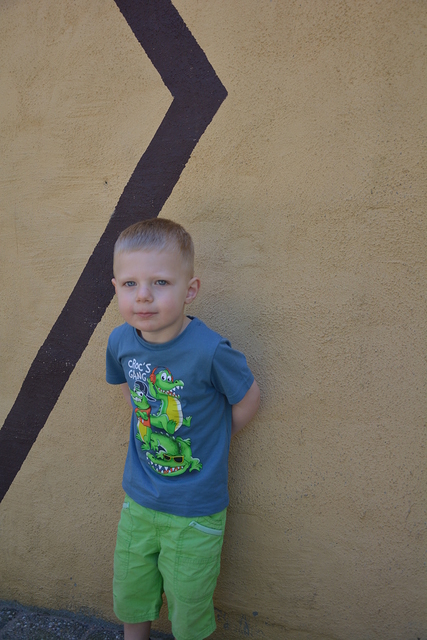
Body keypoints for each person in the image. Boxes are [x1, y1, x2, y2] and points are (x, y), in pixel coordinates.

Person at [106, 217, 260, 640]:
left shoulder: (210, 350)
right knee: (131, 594)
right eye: (130, 284)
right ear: (116, 288)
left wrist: (215, 438)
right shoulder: (120, 341)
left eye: (160, 282)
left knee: (189, 608)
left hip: (195, 509)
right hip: (139, 499)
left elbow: (248, 398)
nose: (143, 296)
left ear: (189, 290)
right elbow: (131, 391)